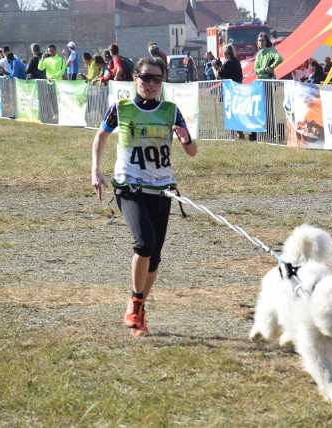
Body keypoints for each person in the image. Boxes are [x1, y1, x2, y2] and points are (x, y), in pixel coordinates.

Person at [91, 57, 197, 337]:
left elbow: (192, 151)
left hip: (162, 189)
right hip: (129, 188)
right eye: (145, 77)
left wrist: (185, 137)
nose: (150, 84)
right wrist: (96, 171)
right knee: (145, 242)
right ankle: (136, 304)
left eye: (157, 79)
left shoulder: (171, 111)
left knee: (156, 257)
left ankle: (137, 310)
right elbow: (101, 137)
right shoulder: (121, 109)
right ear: (135, 78)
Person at [252, 32, 283, 141]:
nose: (261, 42)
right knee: (261, 108)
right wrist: (264, 69)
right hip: (260, 83)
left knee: (269, 108)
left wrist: (271, 67)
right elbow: (256, 69)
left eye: (262, 40)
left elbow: (280, 59)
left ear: (267, 41)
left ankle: (272, 131)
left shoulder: (271, 51)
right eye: (259, 40)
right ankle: (264, 130)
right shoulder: (259, 54)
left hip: (269, 82)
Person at [213, 44, 244, 139]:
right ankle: (240, 132)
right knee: (237, 111)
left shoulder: (227, 64)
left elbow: (218, 75)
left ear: (225, 54)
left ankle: (233, 134)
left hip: (229, 91)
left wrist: (214, 67)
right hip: (238, 89)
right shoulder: (237, 62)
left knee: (230, 112)